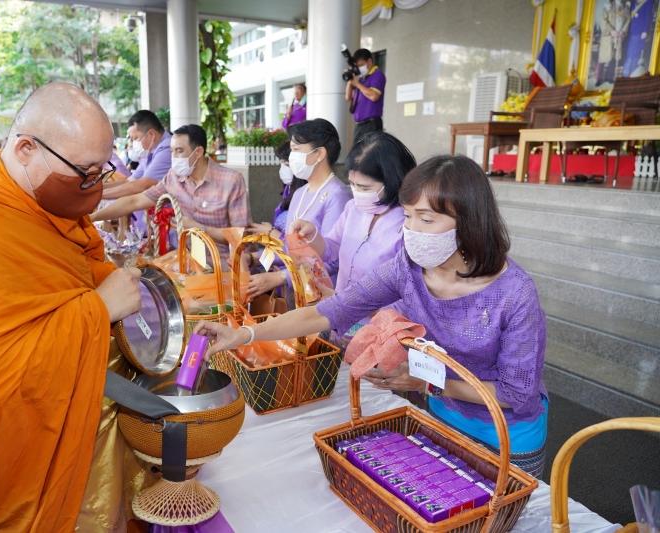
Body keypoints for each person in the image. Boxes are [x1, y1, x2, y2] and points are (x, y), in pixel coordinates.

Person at [195, 154, 549, 479]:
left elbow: (516, 394)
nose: (411, 230)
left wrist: (425, 383)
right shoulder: (409, 268)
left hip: (508, 434)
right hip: (443, 414)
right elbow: (328, 312)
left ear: (469, 220)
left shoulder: (515, 293)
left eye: (426, 219)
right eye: (408, 216)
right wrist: (243, 335)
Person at [0, 82, 150, 532]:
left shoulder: (43, 202)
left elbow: (73, 275)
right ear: (25, 148)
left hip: (96, 409)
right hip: (46, 439)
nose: (95, 188)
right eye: (85, 172)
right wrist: (96, 310)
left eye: (102, 173)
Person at [292, 131, 416, 350]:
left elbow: (407, 304)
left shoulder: (409, 224)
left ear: (393, 181)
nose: (357, 193)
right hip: (339, 325)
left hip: (379, 338)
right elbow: (332, 249)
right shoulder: (353, 209)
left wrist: (344, 300)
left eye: (365, 188)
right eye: (353, 185)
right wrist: (312, 235)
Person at [90, 124, 252, 264]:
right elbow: (135, 201)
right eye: (172, 151)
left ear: (198, 152)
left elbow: (241, 235)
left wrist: (199, 228)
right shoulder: (174, 177)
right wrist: (92, 217)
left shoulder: (230, 181)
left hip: (226, 264)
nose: (174, 158)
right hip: (189, 263)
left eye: (179, 151)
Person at [245, 118, 351, 301]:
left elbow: (332, 260)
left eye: (296, 149)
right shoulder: (300, 192)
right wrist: (255, 258)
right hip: (297, 291)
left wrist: (278, 277)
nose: (292, 156)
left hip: (323, 296)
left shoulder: (337, 195)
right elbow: (290, 248)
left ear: (319, 154)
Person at [102, 109, 172, 200]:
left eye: (135, 138)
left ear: (151, 135)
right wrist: (96, 190)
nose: (133, 143)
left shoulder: (167, 148)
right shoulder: (150, 152)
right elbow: (129, 181)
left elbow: (142, 185)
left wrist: (97, 195)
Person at [246, 139, 307, 239]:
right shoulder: (288, 190)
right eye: (282, 163)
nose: (283, 169)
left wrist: (270, 232)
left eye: (287, 165)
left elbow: (298, 244)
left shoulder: (305, 195)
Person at [345, 48, 386, 144]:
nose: (359, 68)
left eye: (361, 65)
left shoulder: (377, 74)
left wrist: (357, 84)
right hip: (359, 125)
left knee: (368, 155)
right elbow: (348, 97)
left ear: (369, 61)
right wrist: (350, 78)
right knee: (357, 155)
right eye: (357, 66)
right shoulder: (361, 79)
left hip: (371, 123)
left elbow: (374, 96)